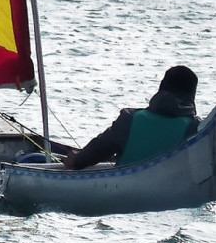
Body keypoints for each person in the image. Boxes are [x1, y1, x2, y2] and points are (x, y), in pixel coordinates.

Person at [62, 65, 200, 170]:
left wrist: (76, 160)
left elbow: (97, 151)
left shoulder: (130, 119)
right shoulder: (196, 129)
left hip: (120, 195)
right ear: (191, 95)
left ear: (161, 88)